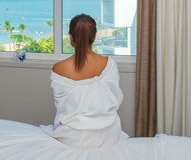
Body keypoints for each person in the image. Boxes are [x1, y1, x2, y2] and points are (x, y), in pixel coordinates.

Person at [40, 14, 128, 149]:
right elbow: (116, 99)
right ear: (94, 37)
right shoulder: (110, 65)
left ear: (70, 37)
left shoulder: (59, 68)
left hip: (74, 138)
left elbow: (62, 108)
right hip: (109, 135)